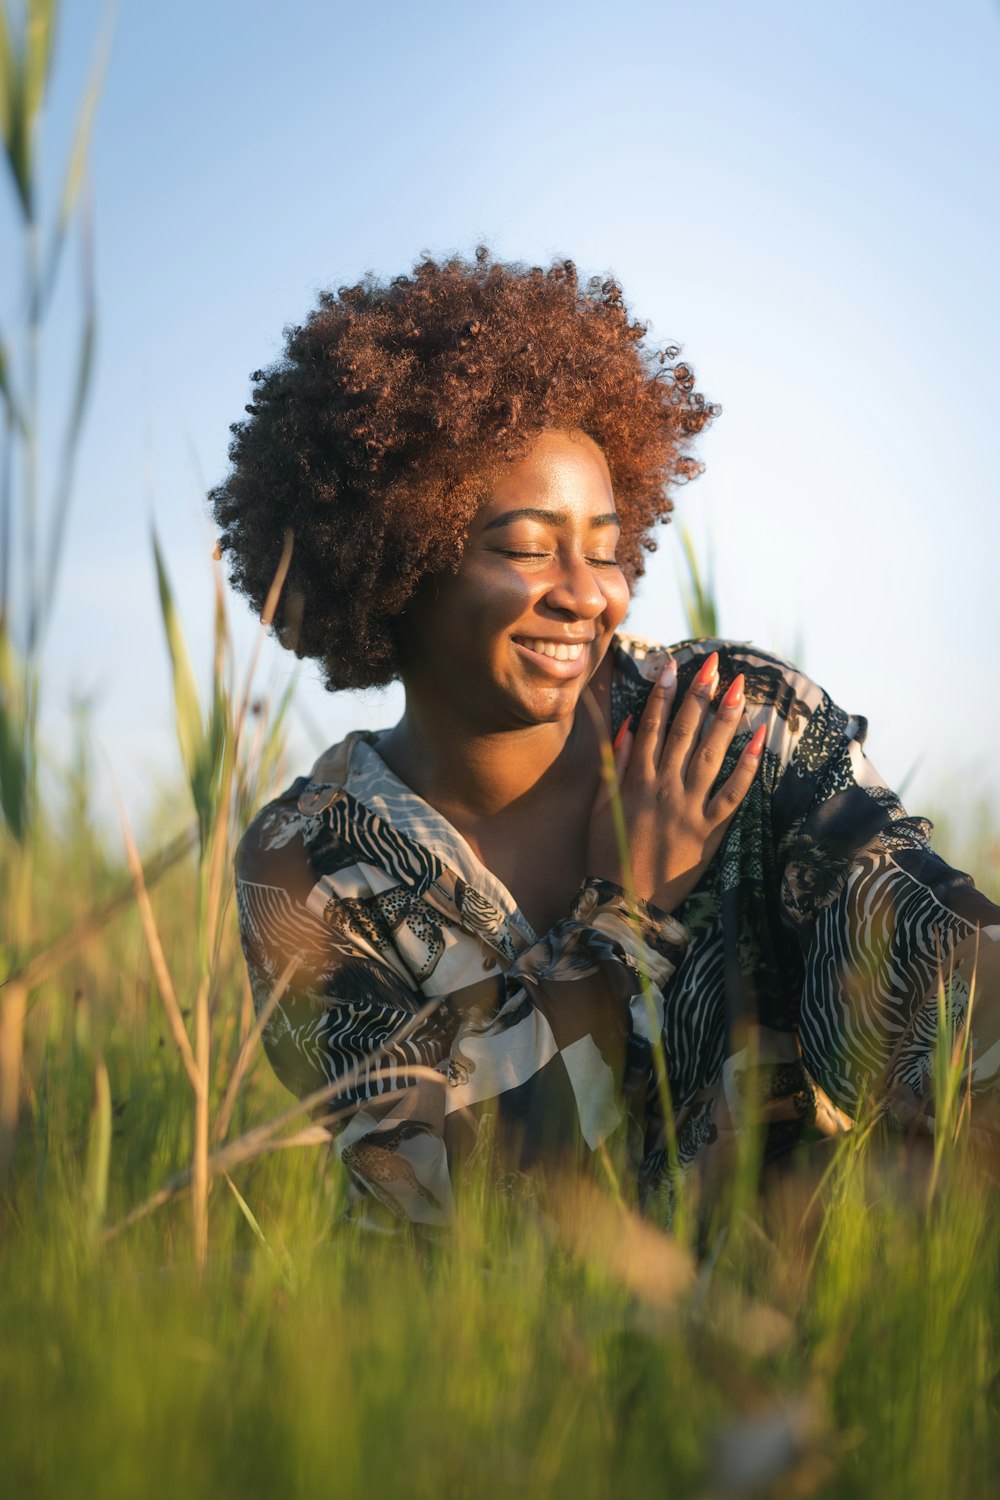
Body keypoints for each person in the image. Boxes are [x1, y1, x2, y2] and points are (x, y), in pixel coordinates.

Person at [211, 249, 1000, 1229]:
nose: (589, 594)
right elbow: (436, 1199)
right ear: (397, 557)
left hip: (806, 1313)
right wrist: (623, 912)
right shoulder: (310, 868)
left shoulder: (728, 718)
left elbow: (932, 951)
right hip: (513, 1369)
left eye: (606, 546)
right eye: (526, 548)